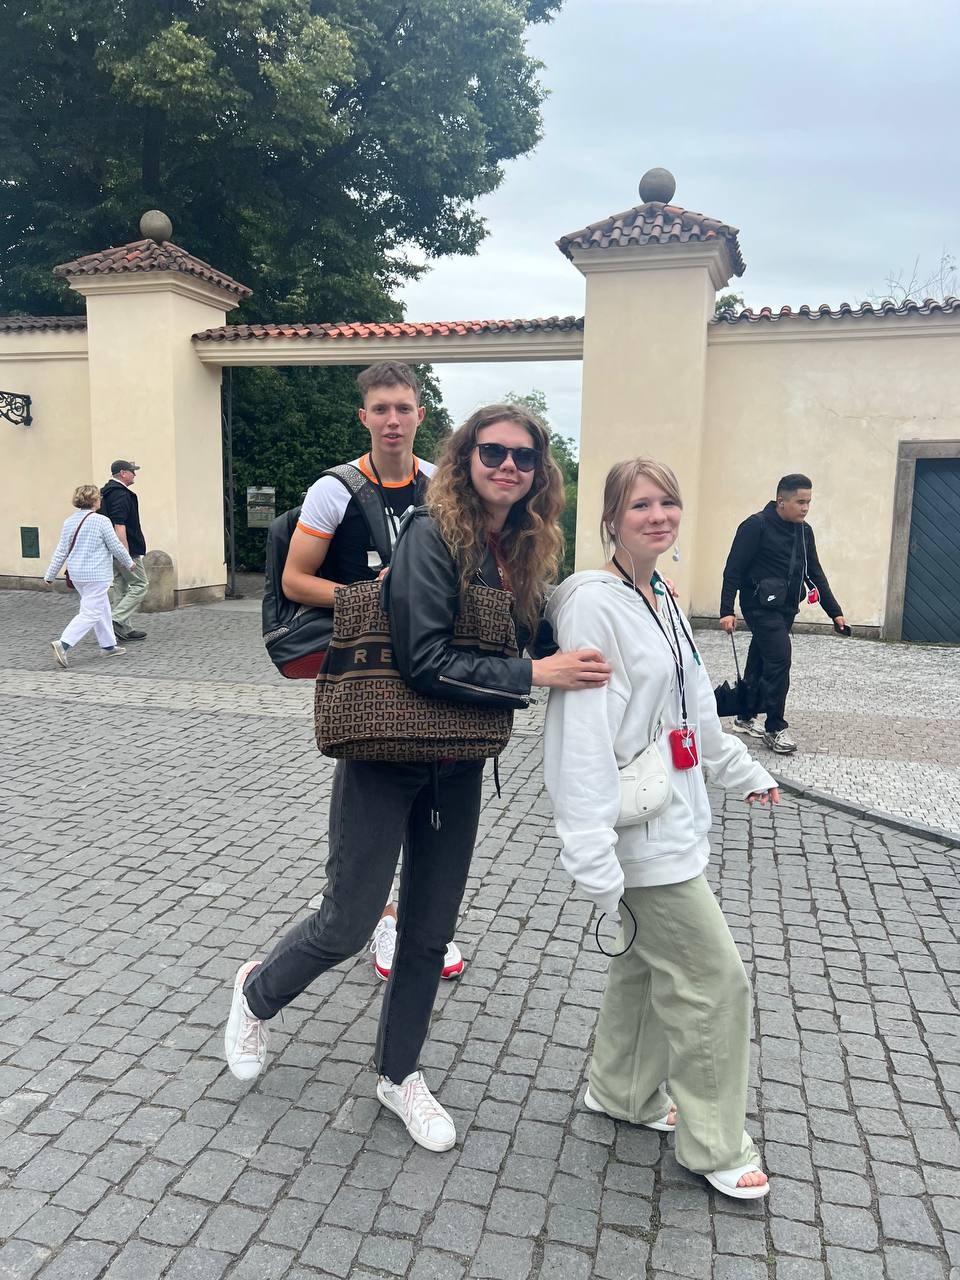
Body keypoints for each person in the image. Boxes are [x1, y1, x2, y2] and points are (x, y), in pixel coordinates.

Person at [224, 403, 611, 1153]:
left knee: (429, 933)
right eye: (492, 452)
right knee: (348, 921)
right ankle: (256, 992)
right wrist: (536, 673)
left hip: (457, 763)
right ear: (466, 458)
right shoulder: (435, 535)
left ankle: (398, 1075)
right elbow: (426, 659)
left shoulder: (526, 546)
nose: (508, 466)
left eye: (524, 456)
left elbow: (537, 633)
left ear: (541, 472)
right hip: (385, 753)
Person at [543, 457, 779, 1201]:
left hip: (674, 816)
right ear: (610, 518)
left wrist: (740, 769)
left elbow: (692, 708)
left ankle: (620, 1091)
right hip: (636, 834)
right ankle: (714, 1143)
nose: (658, 516)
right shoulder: (593, 603)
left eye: (667, 503)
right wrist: (589, 852)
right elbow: (581, 731)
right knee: (714, 981)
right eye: (640, 504)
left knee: (645, 968)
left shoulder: (661, 597)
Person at [279, 362, 460, 981]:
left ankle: (414, 919)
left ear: (420, 415)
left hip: (429, 653)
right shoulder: (334, 489)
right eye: (380, 409)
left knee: (430, 780)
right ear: (364, 417)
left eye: (403, 408)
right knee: (372, 781)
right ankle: (376, 912)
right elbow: (295, 580)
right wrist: (372, 596)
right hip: (364, 664)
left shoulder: (441, 486)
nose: (392, 420)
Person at [719, 473, 845, 754]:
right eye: (800, 502)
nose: (805, 508)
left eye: (808, 502)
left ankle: (745, 715)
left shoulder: (804, 531)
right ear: (781, 501)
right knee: (779, 659)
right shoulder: (755, 526)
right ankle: (775, 727)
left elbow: (815, 572)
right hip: (758, 607)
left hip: (786, 608)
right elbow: (733, 569)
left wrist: (834, 612)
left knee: (760, 658)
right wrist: (726, 610)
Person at [44, 484, 135, 665]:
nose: (100, 500)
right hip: (97, 575)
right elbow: (115, 546)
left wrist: (50, 575)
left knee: (102, 607)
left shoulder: (69, 522)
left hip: (77, 575)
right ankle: (63, 644)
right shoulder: (102, 521)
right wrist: (129, 562)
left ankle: (108, 646)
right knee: (91, 612)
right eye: (98, 497)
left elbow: (61, 551)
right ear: (94, 500)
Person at [100, 460, 149, 641]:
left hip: (109, 548)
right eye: (132, 471)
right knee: (141, 585)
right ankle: (115, 619)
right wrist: (124, 553)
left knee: (120, 586)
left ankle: (124, 629)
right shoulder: (121, 494)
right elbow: (119, 524)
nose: (134, 474)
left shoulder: (105, 493)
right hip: (124, 549)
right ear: (123, 473)